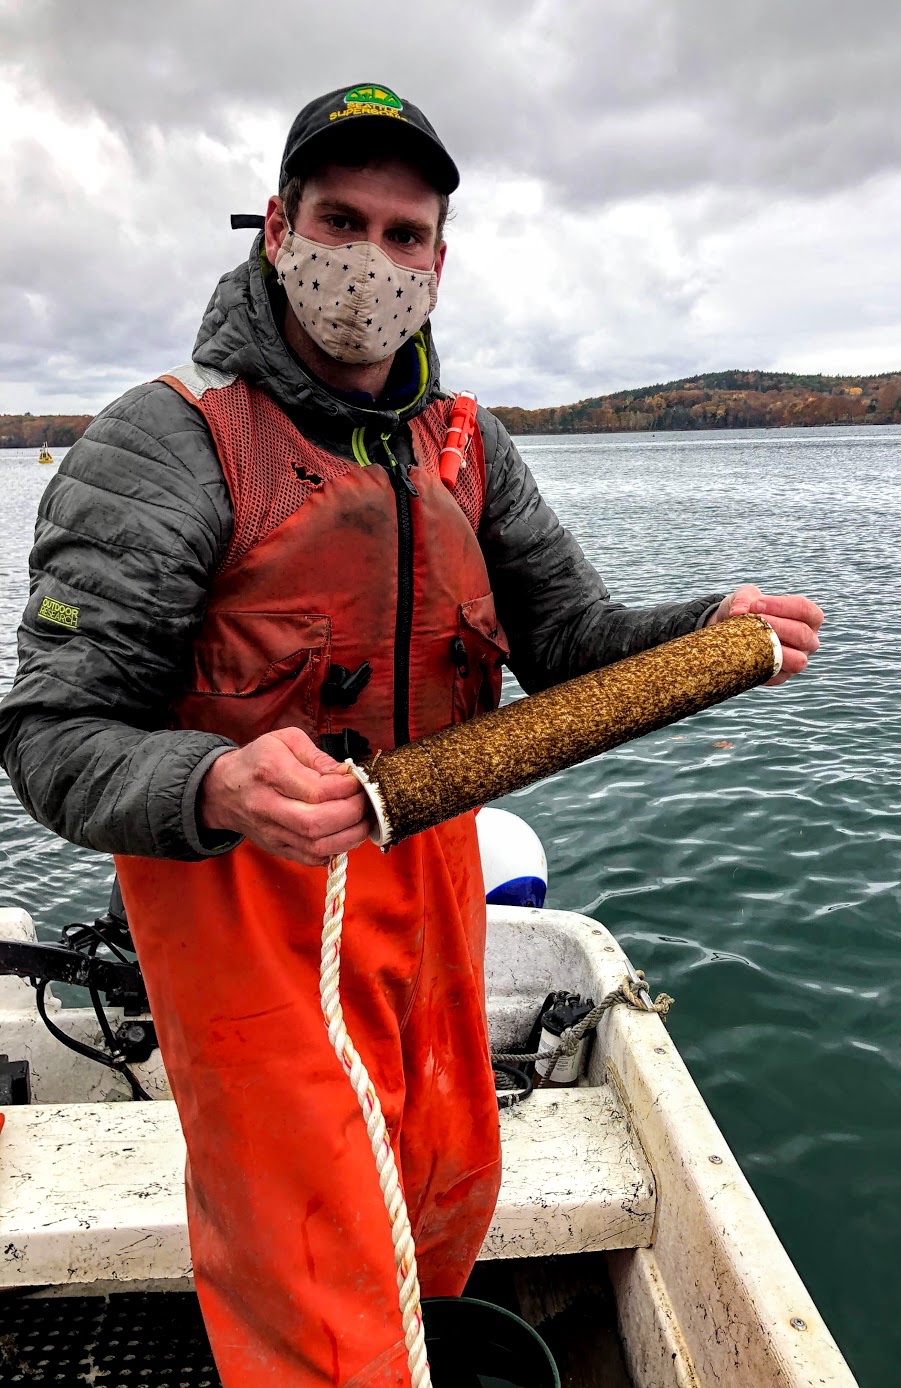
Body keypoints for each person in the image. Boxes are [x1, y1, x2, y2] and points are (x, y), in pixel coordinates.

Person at [0, 82, 824, 1387]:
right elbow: (51, 736)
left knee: (443, 1194)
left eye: (404, 234)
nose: (371, 262)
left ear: (439, 260)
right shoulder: (161, 444)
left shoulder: (468, 446)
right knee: (318, 1282)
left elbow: (572, 641)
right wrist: (216, 781)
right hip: (252, 927)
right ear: (278, 228)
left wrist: (705, 636)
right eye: (342, 222)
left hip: (433, 897)